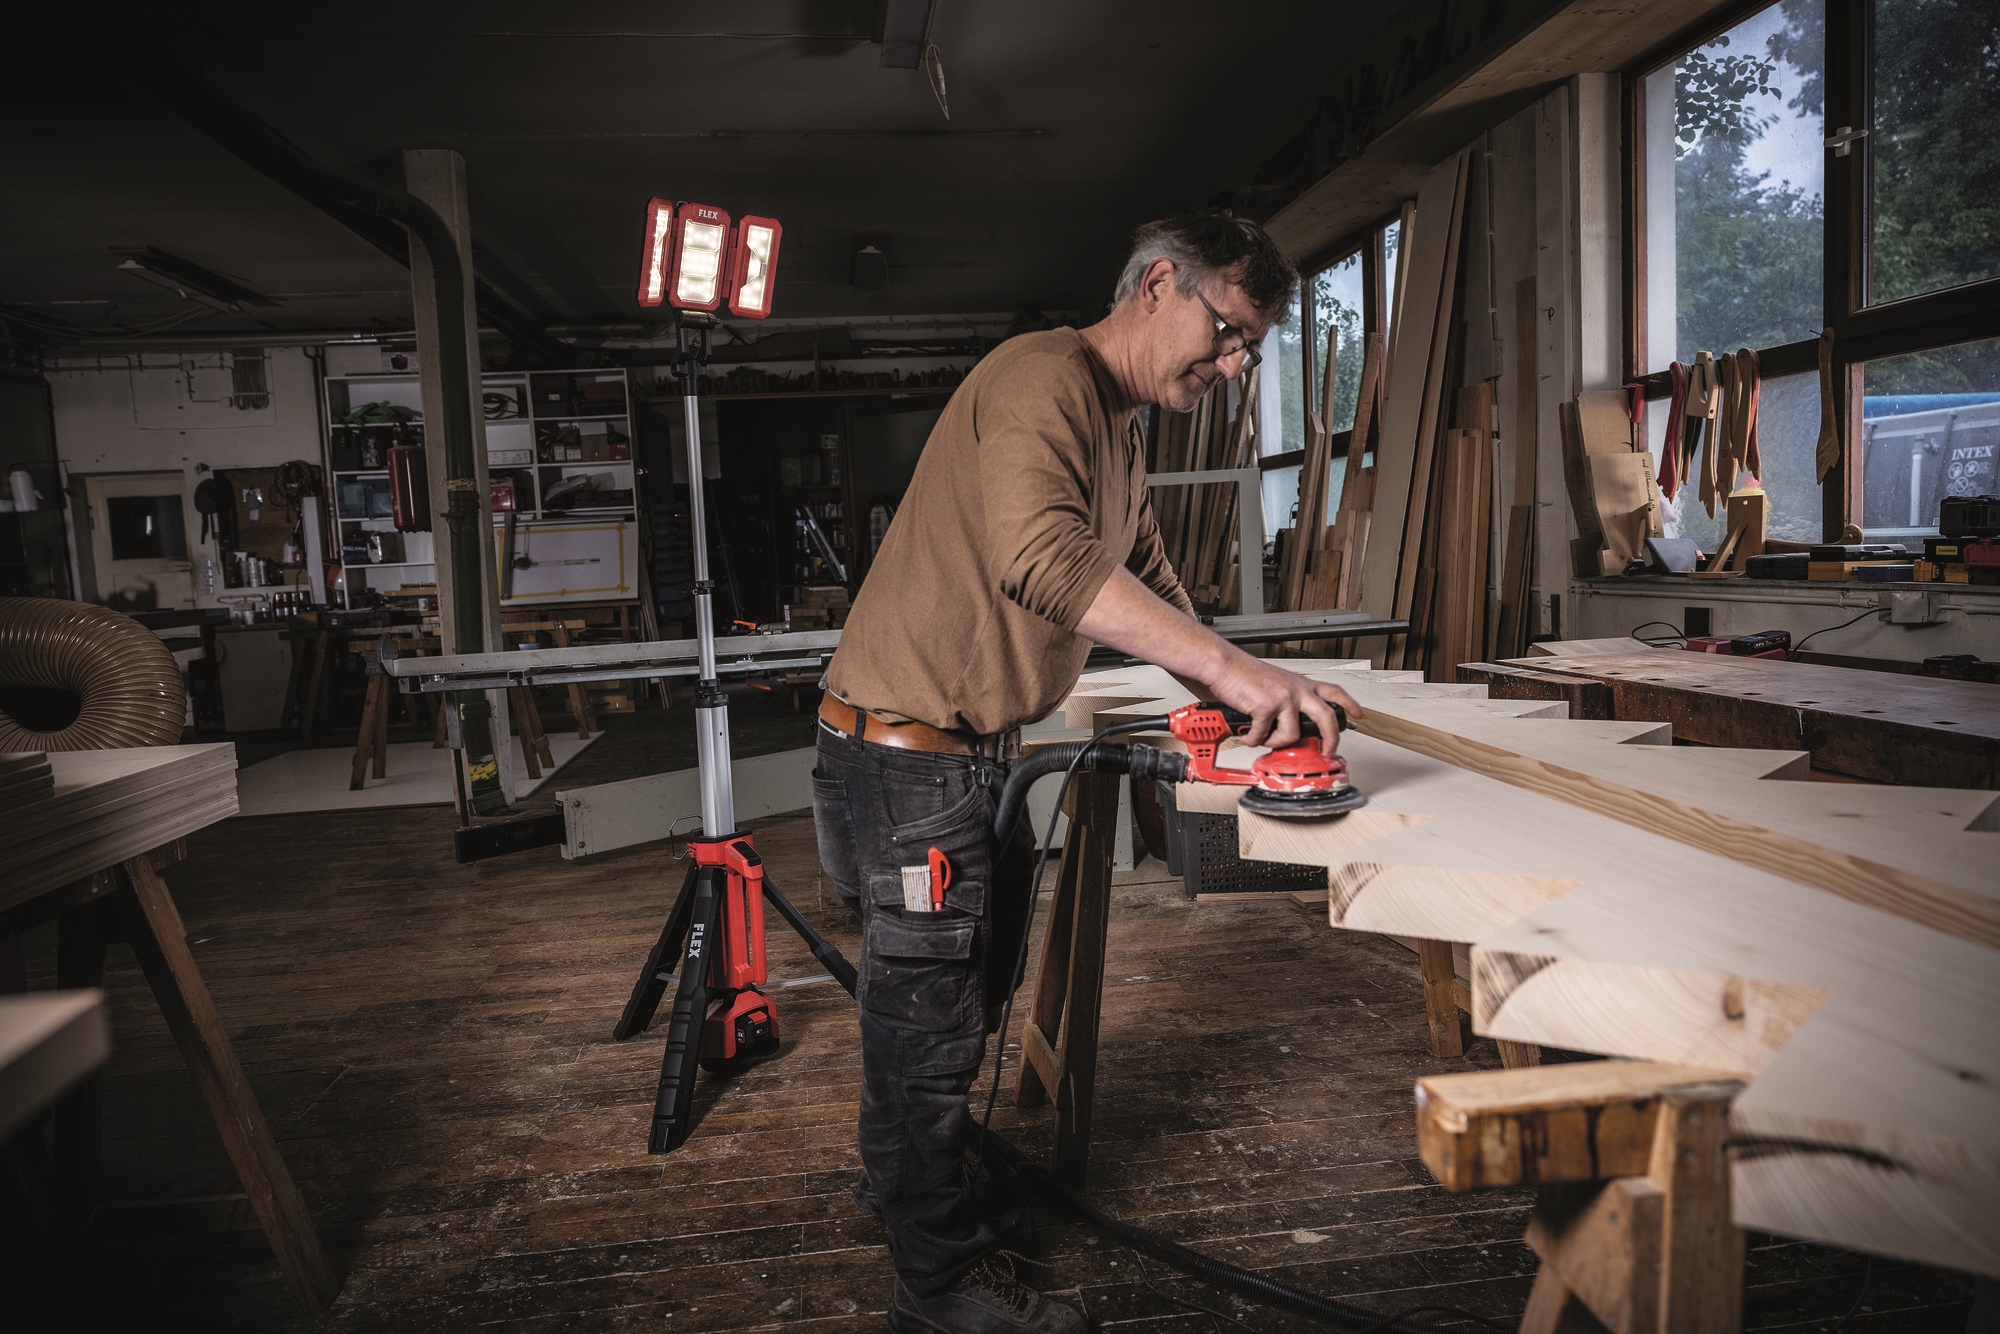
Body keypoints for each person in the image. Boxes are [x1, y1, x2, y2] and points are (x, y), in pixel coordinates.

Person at [813, 210, 1364, 1333]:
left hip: (969, 757)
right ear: (1157, 287)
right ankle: (937, 1285)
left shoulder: (1117, 424)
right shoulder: (1043, 378)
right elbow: (1045, 558)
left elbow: (1139, 568)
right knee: (928, 1025)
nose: (1233, 365)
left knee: (960, 1000)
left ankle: (915, 1189)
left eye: (1249, 349)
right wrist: (1232, 670)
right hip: (907, 754)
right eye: (1227, 332)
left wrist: (1243, 690)